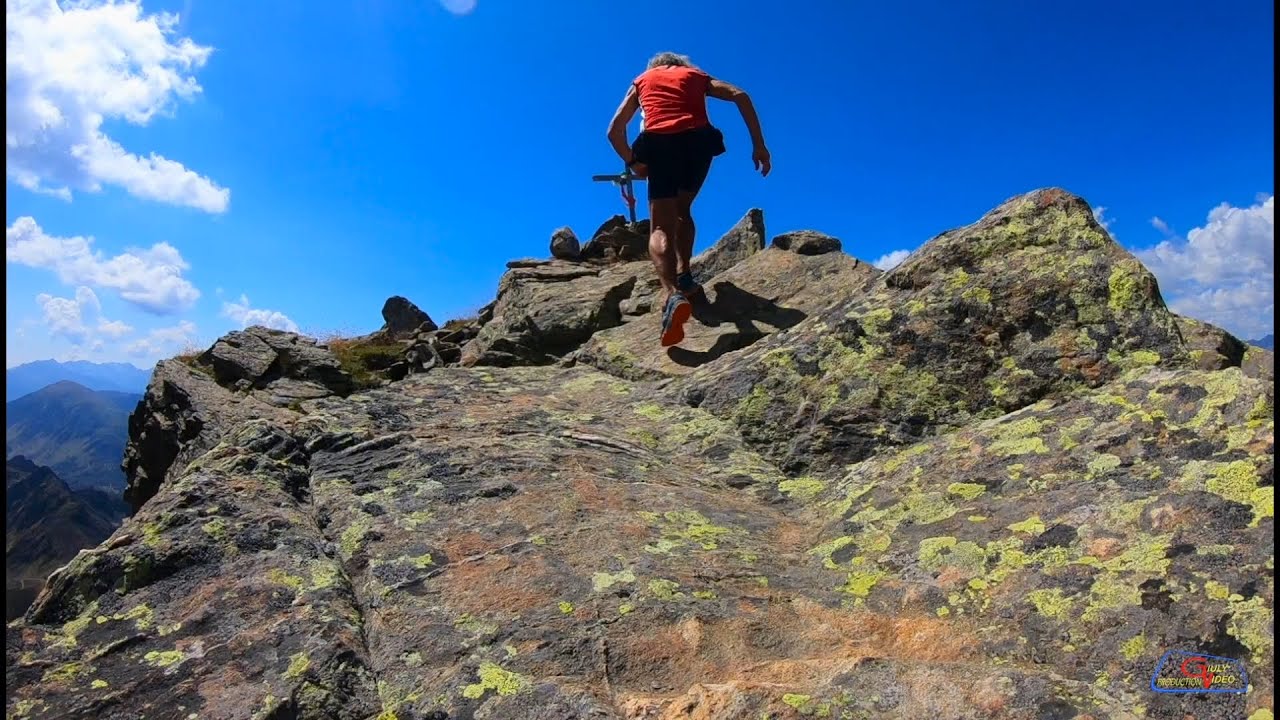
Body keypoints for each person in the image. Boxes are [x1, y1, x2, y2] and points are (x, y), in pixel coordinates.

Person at [607, 52, 771, 347]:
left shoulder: (643, 81)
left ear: (654, 67)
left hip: (659, 143)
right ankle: (685, 275)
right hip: (699, 142)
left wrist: (633, 162)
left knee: (660, 226)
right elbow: (740, 95)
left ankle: (673, 295)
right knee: (683, 209)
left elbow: (614, 131)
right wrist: (759, 146)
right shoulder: (695, 76)